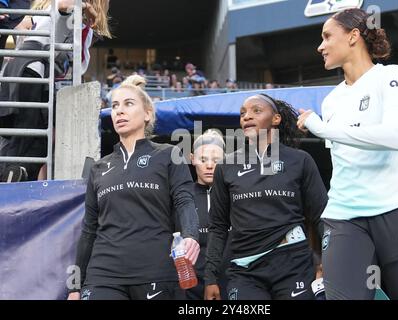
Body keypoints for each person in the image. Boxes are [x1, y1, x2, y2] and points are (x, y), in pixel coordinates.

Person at [297, 8, 398, 300]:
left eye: (327, 36)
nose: (320, 46)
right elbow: (345, 161)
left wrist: (324, 129)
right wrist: (326, 129)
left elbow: (395, 136)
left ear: (353, 36)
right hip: (344, 217)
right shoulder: (331, 100)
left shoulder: (392, 76)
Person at [67, 75, 200, 300]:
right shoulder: (98, 167)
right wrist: (75, 288)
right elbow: (89, 229)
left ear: (147, 113)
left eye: (128, 104)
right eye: (115, 106)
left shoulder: (169, 154)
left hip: (156, 270)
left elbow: (184, 200)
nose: (119, 111)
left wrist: (191, 235)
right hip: (103, 275)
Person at [204, 93, 328, 300]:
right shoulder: (226, 166)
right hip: (244, 270)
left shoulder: (300, 160)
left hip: (293, 263)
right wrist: (211, 278)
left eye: (256, 111)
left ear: (276, 119)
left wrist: (328, 260)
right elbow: (218, 226)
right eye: (243, 113)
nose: (246, 117)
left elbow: (322, 216)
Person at [0, 0, 111, 182]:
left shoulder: (48, 13)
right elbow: (64, 5)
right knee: (25, 137)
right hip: (30, 71)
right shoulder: (62, 11)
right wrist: (85, 9)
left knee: (35, 140)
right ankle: (11, 180)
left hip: (31, 72)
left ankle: (17, 177)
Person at [184, 129, 231, 300]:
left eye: (216, 160)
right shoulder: (182, 197)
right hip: (189, 287)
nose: (209, 165)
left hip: (229, 283)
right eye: (203, 159)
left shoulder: (235, 196)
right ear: (192, 159)